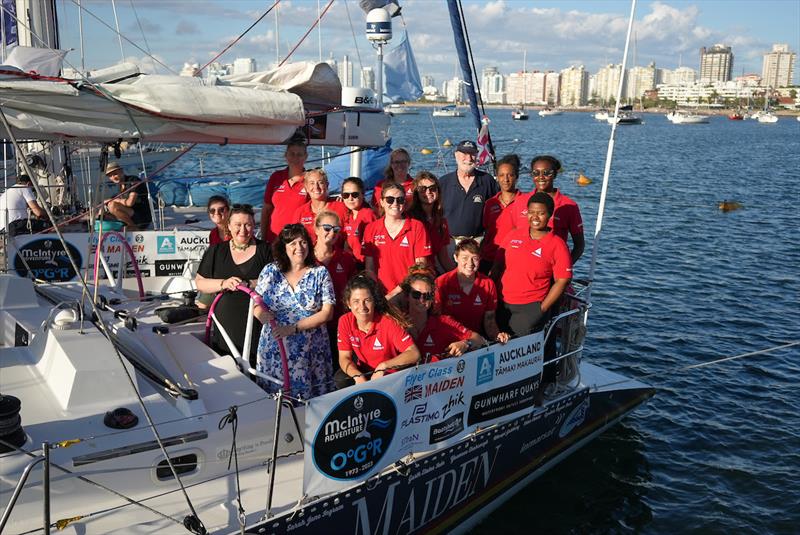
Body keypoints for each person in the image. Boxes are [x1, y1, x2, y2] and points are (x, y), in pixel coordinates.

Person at [493, 192, 572, 383]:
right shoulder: (514, 235)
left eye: (541, 213)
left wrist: (542, 308)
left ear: (550, 215)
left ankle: (535, 391)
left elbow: (562, 280)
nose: (535, 217)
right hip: (503, 304)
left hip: (530, 308)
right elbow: (497, 266)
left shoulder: (557, 244)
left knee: (523, 358)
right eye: (531, 212)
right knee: (499, 349)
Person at [252, 224, 335, 400]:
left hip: (310, 351)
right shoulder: (269, 271)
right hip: (274, 349)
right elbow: (256, 304)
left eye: (303, 242)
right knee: (274, 403)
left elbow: (327, 313)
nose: (299, 248)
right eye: (293, 243)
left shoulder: (320, 273)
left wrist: (293, 328)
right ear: (283, 247)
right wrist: (261, 315)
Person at [195, 204, 272, 368]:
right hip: (225, 323)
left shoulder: (265, 250)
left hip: (256, 320)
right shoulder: (216, 251)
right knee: (228, 365)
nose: (243, 230)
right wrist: (223, 283)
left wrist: (248, 283)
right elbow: (200, 283)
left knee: (256, 365)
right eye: (238, 225)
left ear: (254, 225)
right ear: (229, 226)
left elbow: (274, 282)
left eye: (248, 224)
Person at [335, 273, 420, 388]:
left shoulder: (387, 322)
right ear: (348, 304)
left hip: (389, 375)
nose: (362, 306)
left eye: (367, 300)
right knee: (341, 379)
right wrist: (357, 376)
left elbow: (414, 353)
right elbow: (344, 358)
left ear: (374, 301)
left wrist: (384, 366)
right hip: (365, 373)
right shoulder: (345, 321)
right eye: (356, 301)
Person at [500, 155, 585, 264]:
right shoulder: (520, 201)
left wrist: (562, 268)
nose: (541, 177)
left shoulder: (569, 206)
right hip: (519, 267)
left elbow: (579, 246)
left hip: (550, 272)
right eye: (536, 173)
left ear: (554, 174)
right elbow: (512, 237)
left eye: (546, 173)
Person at [397, 265, 485, 362]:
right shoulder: (396, 324)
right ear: (406, 296)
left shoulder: (444, 322)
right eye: (416, 294)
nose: (422, 300)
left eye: (427, 295)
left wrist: (466, 343)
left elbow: (479, 339)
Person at [363, 182, 431, 297]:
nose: (395, 203)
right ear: (382, 202)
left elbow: (420, 267)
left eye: (400, 200)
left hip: (409, 293)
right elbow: (370, 269)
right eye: (390, 199)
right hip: (381, 295)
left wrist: (396, 292)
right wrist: (377, 295)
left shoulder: (416, 227)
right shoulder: (371, 228)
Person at [435, 239, 509, 344]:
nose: (470, 263)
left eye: (475, 258)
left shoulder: (488, 284)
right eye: (464, 258)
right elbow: (437, 319)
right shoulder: (442, 282)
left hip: (476, 343)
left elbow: (489, 321)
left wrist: (497, 336)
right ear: (456, 258)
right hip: (449, 341)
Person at [314, 211, 358, 361]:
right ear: (316, 229)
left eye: (336, 230)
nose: (331, 233)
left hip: (339, 325)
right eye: (327, 228)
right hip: (313, 326)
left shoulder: (346, 258)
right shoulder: (304, 258)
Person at [438, 140, 498, 248]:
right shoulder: (443, 182)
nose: (469, 158)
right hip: (449, 243)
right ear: (456, 155)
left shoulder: (487, 181)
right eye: (464, 154)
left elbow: (497, 211)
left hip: (478, 243)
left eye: (472, 154)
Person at [482, 154, 524, 273]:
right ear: (497, 177)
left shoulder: (526, 202)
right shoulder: (490, 203)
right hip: (490, 258)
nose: (506, 179)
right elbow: (487, 232)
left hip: (515, 259)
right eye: (501, 175)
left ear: (516, 177)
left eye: (510, 175)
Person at [260, 137, 308, 241]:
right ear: (286, 155)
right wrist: (263, 238)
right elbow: (266, 210)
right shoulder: (276, 177)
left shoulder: (310, 180)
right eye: (292, 154)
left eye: (299, 154)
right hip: (273, 237)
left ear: (306, 157)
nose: (295, 157)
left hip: (297, 239)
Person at [408, 171, 456, 273]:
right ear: (416, 193)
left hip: (431, 272)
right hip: (412, 273)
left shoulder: (441, 222)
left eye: (433, 188)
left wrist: (460, 275)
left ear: (438, 191)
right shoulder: (409, 219)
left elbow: (443, 258)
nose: (428, 192)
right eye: (423, 189)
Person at [292, 168, 348, 245]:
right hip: (309, 255)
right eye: (312, 183)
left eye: (320, 183)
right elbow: (294, 239)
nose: (316, 187)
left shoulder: (340, 207)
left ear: (327, 185)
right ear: (306, 187)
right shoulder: (300, 212)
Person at [101, 161, 152, 230]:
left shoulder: (133, 180)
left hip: (142, 217)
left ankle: (133, 227)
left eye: (115, 174)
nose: (113, 177)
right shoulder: (121, 185)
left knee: (112, 205)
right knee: (106, 209)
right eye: (110, 176)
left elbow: (129, 203)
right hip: (132, 215)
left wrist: (113, 200)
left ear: (121, 171)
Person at [340, 176, 376, 263]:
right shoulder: (348, 215)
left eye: (355, 194)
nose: (350, 198)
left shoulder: (368, 215)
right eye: (346, 195)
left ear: (363, 194)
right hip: (351, 263)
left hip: (365, 265)